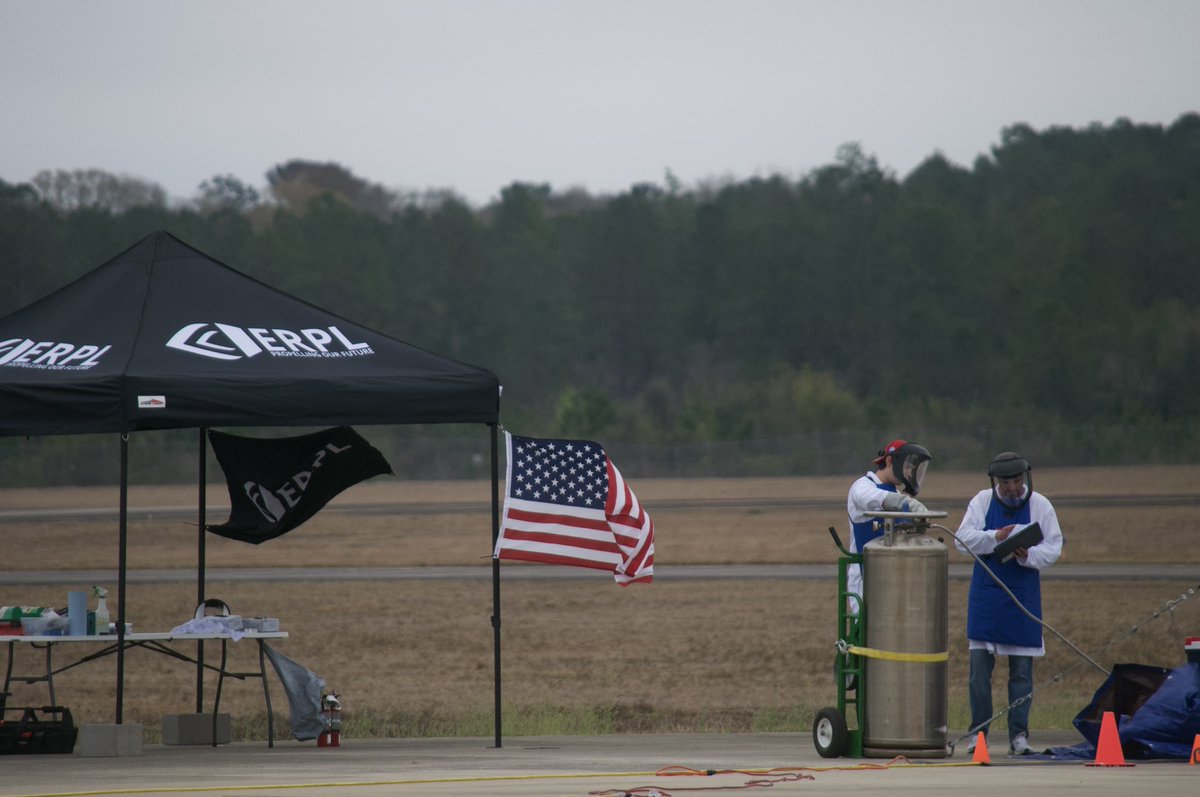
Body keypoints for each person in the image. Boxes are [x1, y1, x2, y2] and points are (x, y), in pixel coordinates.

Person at [954, 451, 1063, 756]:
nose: (1012, 488)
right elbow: (962, 540)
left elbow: (1054, 547)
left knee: (1021, 673)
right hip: (987, 596)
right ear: (996, 482)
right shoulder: (981, 501)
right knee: (979, 672)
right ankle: (978, 734)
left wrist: (1029, 555)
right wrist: (995, 537)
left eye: (1016, 481)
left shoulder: (1040, 505)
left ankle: (1019, 735)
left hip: (1022, 596)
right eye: (1006, 483)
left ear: (1024, 478)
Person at [845, 438, 932, 613]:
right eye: (907, 467)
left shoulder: (897, 495)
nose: (909, 473)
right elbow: (870, 497)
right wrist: (906, 503)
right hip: (865, 583)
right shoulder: (863, 486)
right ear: (890, 461)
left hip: (896, 580)